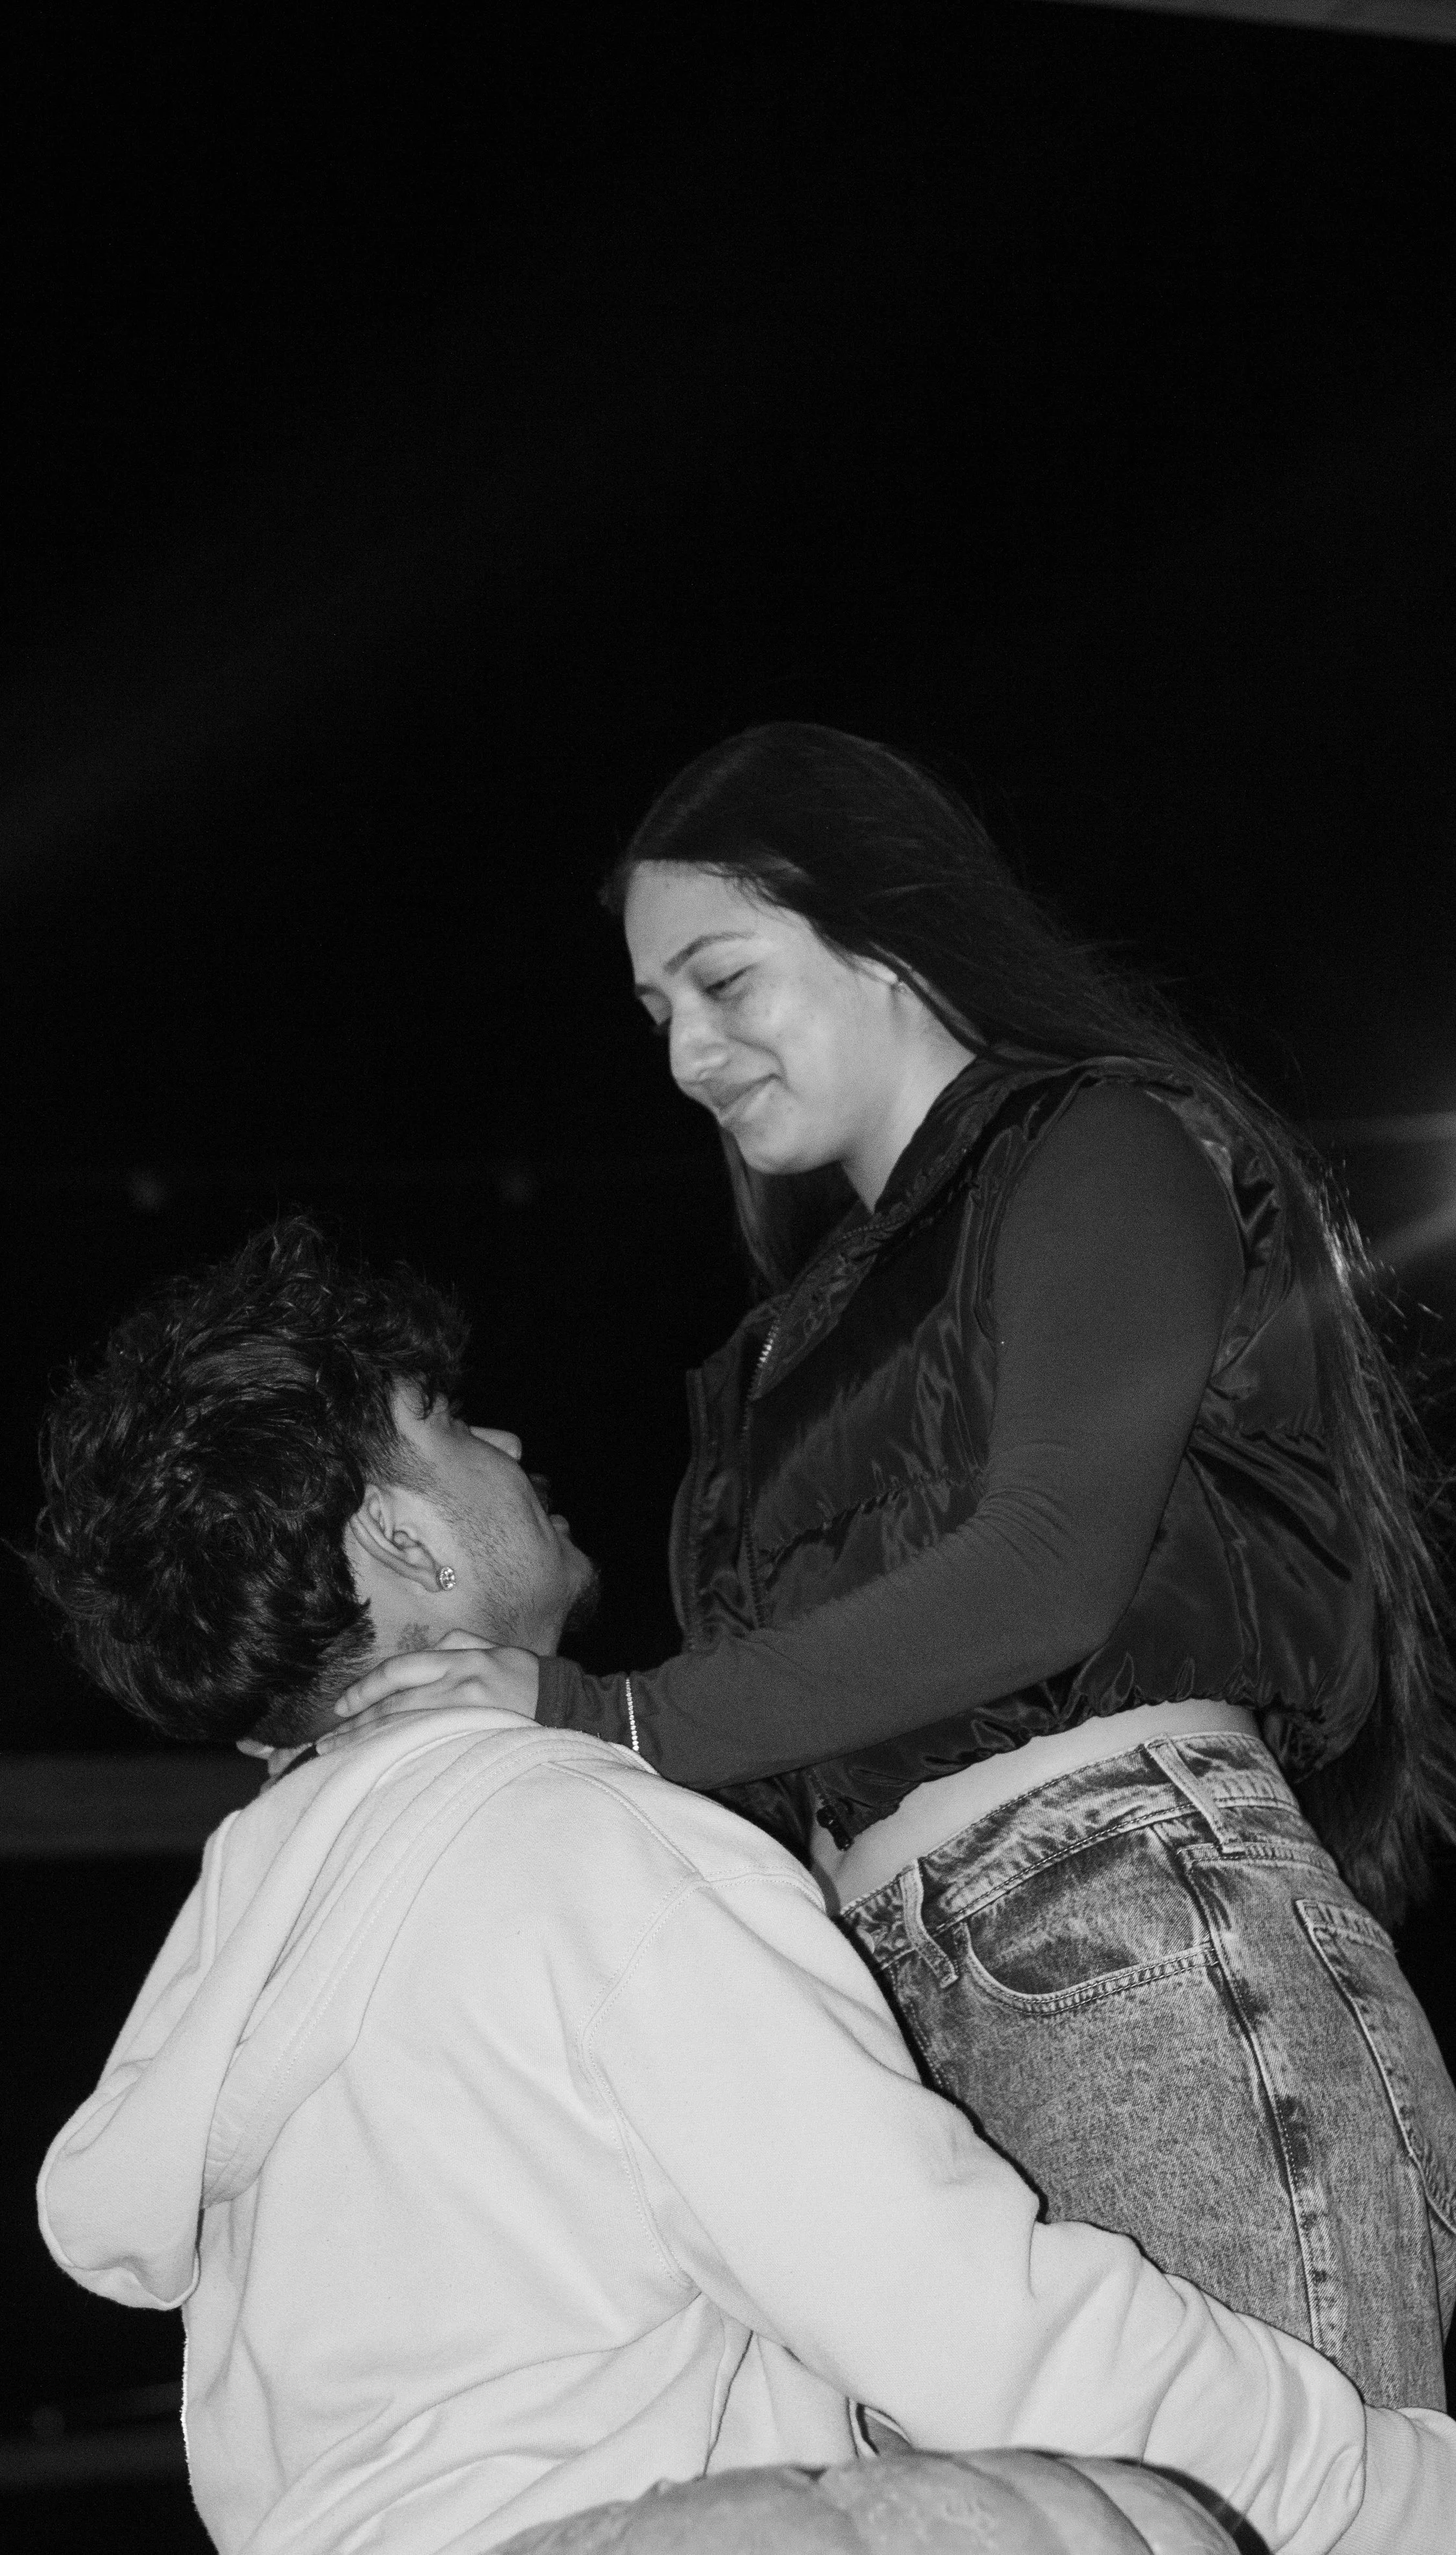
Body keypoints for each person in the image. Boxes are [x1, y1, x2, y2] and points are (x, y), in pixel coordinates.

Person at [29, 1218, 1452, 2555]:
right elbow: (953, 2318)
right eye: (449, 1425)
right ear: (402, 1541)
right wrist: (1391, 2491)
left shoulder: (251, 1946)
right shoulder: (564, 1841)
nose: (507, 1438)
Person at [338, 724, 1456, 2412]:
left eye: (723, 981)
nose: (687, 1055)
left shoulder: (1103, 1143)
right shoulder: (790, 1340)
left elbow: (1049, 1567)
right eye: (657, 1016)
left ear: (890, 926)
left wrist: (605, 1712)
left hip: (1124, 1937)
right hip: (905, 2031)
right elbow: (801, 1720)